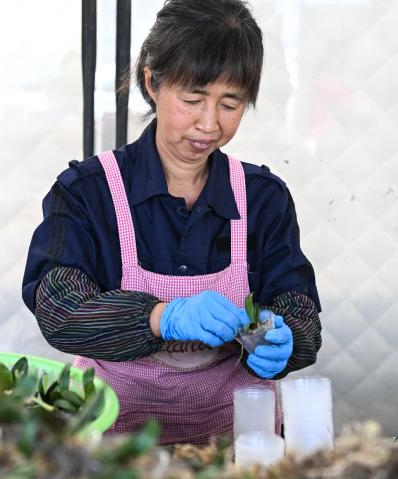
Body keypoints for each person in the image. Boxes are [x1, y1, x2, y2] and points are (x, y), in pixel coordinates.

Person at [22, 0, 321, 445]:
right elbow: (60, 309)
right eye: (192, 100)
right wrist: (160, 318)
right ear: (152, 82)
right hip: (114, 439)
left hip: (236, 441)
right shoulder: (88, 192)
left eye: (230, 104)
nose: (208, 123)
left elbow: (300, 310)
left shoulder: (263, 198)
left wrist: (288, 337)